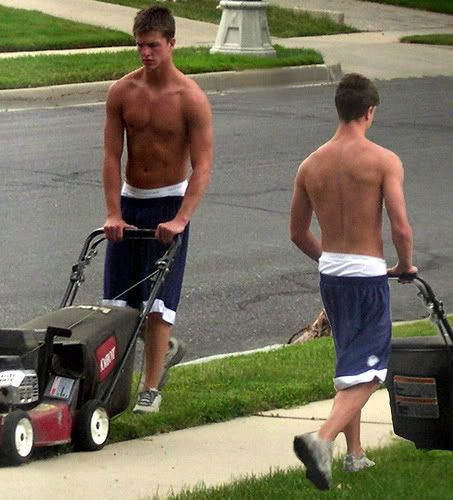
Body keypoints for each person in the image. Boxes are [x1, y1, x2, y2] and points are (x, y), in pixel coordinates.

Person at [289, 73, 417, 490]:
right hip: (366, 276)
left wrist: (328, 258)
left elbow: (297, 232)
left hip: (332, 277)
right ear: (370, 112)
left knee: (350, 364)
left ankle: (355, 455)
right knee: (371, 370)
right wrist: (404, 265)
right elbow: (400, 227)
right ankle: (321, 440)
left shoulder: (310, 164)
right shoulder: (383, 160)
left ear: (339, 109)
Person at [102, 6, 213, 413]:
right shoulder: (122, 92)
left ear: (171, 44)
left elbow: (203, 166)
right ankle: (114, 386)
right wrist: (114, 213)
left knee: (159, 302)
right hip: (131, 202)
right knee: (118, 303)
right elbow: (112, 156)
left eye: (153, 46)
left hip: (169, 203)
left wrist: (181, 218)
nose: (145, 53)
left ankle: (150, 387)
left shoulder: (191, 98)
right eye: (140, 46)